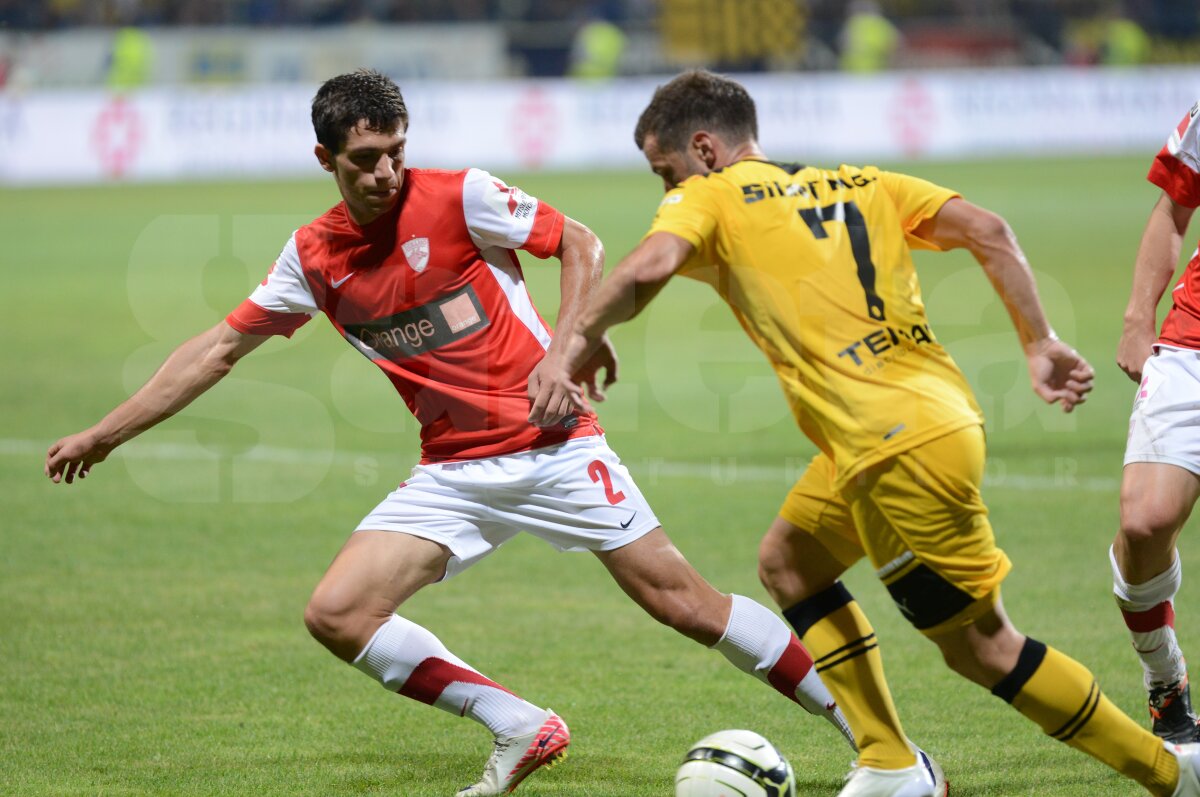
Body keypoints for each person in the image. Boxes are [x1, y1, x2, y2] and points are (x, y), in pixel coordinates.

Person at [43, 69, 854, 797]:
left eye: (395, 150)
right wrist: (107, 434)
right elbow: (218, 348)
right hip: (452, 471)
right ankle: (519, 723)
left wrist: (564, 353)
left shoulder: (461, 195)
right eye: (364, 159)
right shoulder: (313, 257)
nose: (386, 171)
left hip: (552, 445)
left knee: (686, 604)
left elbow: (580, 242)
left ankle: (876, 740)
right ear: (325, 159)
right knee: (338, 611)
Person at [547, 69, 1200, 797]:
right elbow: (988, 229)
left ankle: (1171, 773)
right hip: (928, 417)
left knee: (983, 647)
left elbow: (648, 266)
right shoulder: (859, 181)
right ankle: (889, 758)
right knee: (790, 561)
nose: (664, 191)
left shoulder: (709, 195)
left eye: (663, 172)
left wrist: (571, 345)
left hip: (896, 449)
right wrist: (1039, 341)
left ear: (703, 148)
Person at [1113, 99, 1200, 745]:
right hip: (1194, 341)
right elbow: (1175, 203)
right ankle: (1165, 677)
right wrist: (1139, 320)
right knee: (1144, 522)